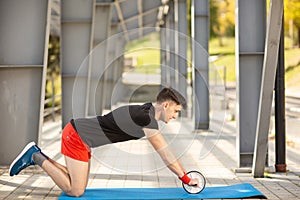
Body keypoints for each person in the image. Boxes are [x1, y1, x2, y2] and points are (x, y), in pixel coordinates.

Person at [9, 87, 199, 197]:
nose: (175, 116)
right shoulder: (146, 118)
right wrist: (186, 178)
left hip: (82, 138)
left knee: (77, 183)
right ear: (166, 105)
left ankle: (36, 155)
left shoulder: (147, 110)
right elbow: (166, 154)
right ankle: (34, 155)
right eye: (175, 111)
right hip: (77, 135)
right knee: (75, 191)